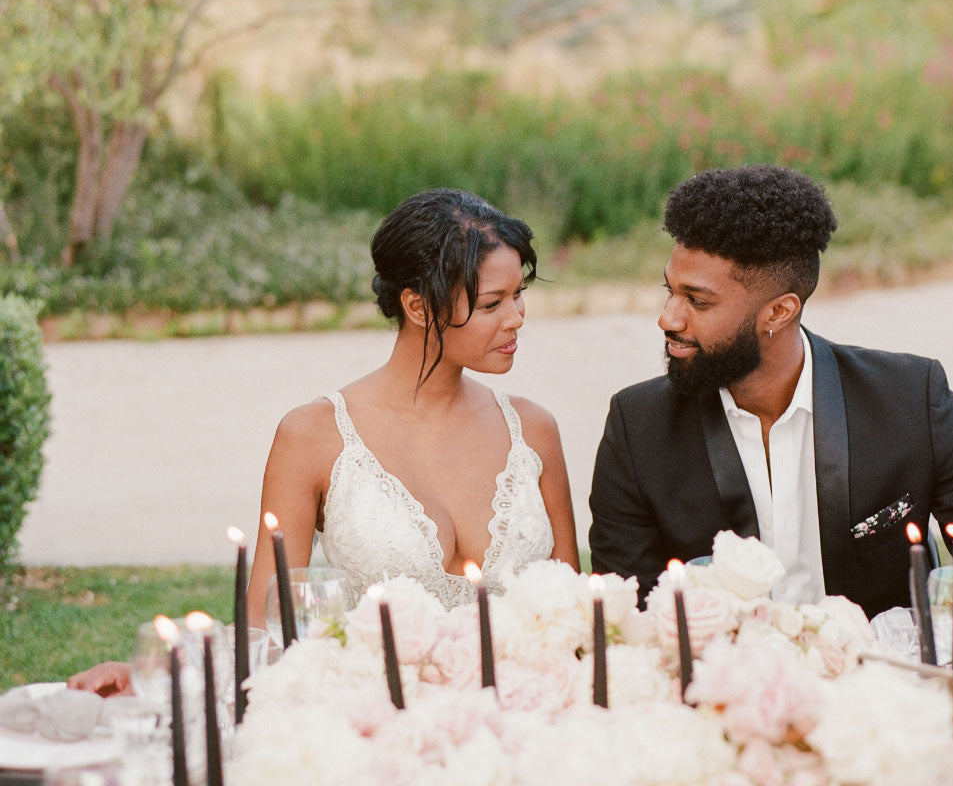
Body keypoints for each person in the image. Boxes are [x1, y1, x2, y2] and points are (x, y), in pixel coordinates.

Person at [69, 188, 577, 694]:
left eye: (518, 295)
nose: (516, 317)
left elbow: (573, 620)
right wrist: (152, 675)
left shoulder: (533, 433)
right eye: (493, 303)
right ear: (418, 307)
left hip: (525, 724)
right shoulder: (313, 436)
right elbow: (265, 631)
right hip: (370, 727)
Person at [589, 164, 953, 638]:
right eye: (669, 291)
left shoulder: (911, 398)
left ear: (779, 311)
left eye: (697, 301)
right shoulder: (638, 426)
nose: (668, 318)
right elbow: (628, 611)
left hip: (891, 693)